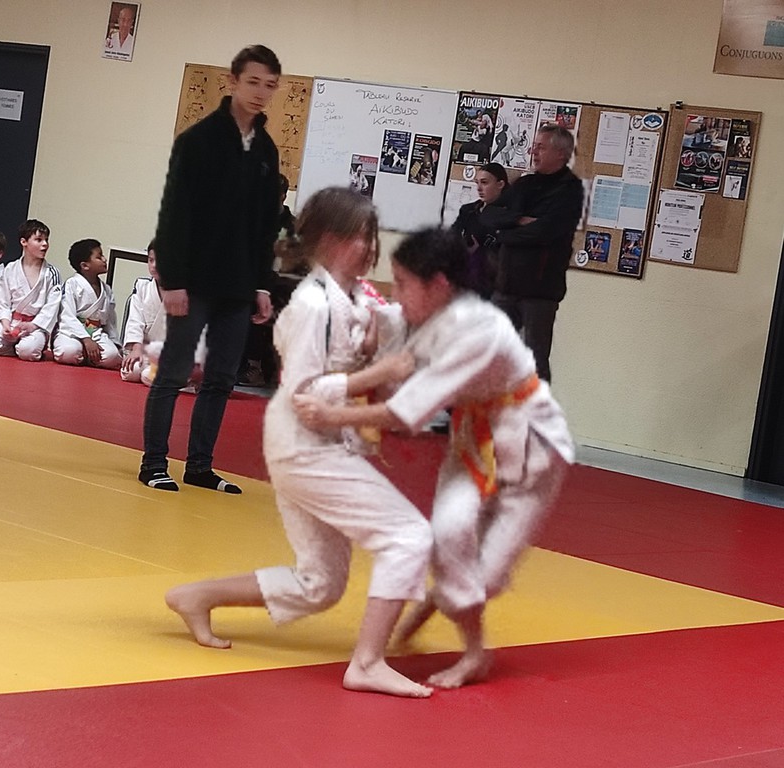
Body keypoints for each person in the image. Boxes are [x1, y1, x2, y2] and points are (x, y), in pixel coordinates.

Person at [164, 187, 434, 698]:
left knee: (321, 585)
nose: (369, 247)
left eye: (372, 236)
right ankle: (367, 663)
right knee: (409, 536)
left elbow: (394, 325)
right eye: (359, 237)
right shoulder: (312, 305)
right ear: (328, 240)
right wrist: (379, 371)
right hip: (304, 442)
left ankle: (196, 596)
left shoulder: (356, 296)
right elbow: (305, 394)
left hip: (321, 441)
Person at [294, 227, 573, 690]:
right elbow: (391, 346)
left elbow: (406, 411)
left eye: (403, 283)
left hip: (531, 446)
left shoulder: (478, 331)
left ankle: (458, 625)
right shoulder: (428, 316)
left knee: (485, 578)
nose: (397, 293)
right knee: (447, 532)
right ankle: (470, 640)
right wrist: (359, 345)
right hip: (472, 441)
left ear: (439, 284)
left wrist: (331, 412)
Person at [138, 45, 283, 494]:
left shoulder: (266, 149)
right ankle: (153, 463)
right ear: (233, 81)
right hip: (195, 280)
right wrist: (172, 280)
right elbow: (174, 214)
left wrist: (263, 285)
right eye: (253, 82)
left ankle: (200, 466)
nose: (260, 92)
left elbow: (265, 226)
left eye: (270, 85)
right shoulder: (198, 141)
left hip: (238, 285)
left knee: (221, 377)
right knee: (174, 372)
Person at [484, 124, 584, 381]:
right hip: (506, 285)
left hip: (540, 292)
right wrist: (518, 220)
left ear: (560, 154)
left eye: (541, 147)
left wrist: (505, 232)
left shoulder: (570, 190)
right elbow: (490, 215)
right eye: (534, 146)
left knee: (534, 361)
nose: (533, 151)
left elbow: (544, 233)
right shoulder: (525, 184)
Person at [239, 173, 300, 388]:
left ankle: (255, 366)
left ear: (283, 196)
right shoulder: (251, 219)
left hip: (282, 284)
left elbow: (292, 263)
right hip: (253, 278)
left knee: (256, 304)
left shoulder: (293, 227)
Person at [121, 240, 205, 387]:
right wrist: (136, 349)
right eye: (150, 260)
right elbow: (135, 321)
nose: (154, 265)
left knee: (148, 375)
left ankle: (182, 377)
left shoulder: (186, 293)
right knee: (131, 371)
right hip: (146, 351)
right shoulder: (142, 287)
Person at [0, 219, 61, 361]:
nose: (45, 244)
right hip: (12, 322)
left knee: (28, 351)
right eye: (39, 240)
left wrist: (33, 325)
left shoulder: (51, 273)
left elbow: (52, 306)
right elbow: (2, 300)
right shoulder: (10, 269)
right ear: (24, 242)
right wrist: (5, 324)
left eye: (46, 240)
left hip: (36, 326)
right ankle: (14, 348)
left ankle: (26, 348)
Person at [52, 238, 121, 369]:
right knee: (68, 352)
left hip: (95, 333)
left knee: (112, 356)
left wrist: (115, 343)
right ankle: (84, 352)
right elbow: (67, 316)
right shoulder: (72, 284)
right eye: (99, 257)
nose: (105, 259)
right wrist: (86, 339)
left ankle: (86, 355)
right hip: (71, 332)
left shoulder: (106, 290)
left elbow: (110, 321)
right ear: (85, 265)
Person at [450, 162, 510, 298]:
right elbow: (452, 236)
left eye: (484, 183)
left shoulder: (510, 215)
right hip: (466, 277)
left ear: (500, 184)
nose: (479, 188)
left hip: (495, 283)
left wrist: (481, 250)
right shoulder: (468, 210)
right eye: (477, 183)